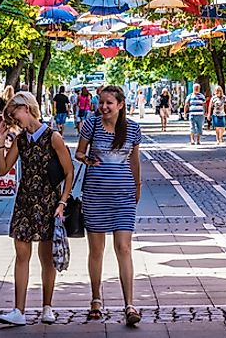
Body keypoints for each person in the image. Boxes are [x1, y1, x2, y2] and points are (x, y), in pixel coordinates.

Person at [0, 92, 74, 326]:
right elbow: (3, 169)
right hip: (25, 201)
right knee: (21, 254)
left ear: (27, 108)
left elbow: (69, 172)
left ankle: (47, 307)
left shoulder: (53, 137)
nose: (13, 119)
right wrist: (0, 142)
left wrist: (62, 202)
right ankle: (19, 310)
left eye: (14, 113)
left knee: (46, 257)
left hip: (49, 202)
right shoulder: (21, 140)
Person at [76, 85, 143, 326]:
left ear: (120, 105)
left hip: (123, 196)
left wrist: (137, 186)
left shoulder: (133, 129)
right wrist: (88, 159)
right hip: (95, 195)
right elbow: (78, 153)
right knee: (96, 250)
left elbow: (134, 160)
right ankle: (95, 299)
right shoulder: (91, 124)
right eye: (101, 102)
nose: (103, 107)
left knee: (123, 248)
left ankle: (129, 304)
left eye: (109, 103)